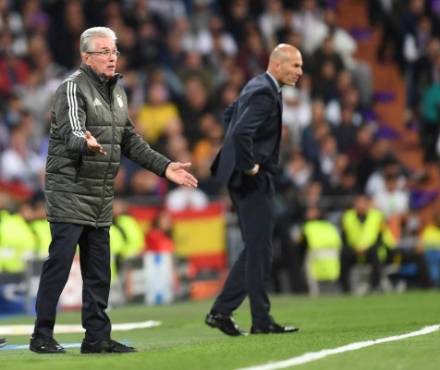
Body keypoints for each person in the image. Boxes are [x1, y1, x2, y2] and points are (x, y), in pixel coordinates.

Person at [29, 27, 197, 354]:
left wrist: (164, 167)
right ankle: (42, 335)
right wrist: (84, 142)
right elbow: (72, 130)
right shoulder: (70, 88)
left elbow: (130, 140)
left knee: (99, 269)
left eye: (114, 51)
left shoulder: (118, 91)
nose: (111, 57)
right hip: (70, 188)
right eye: (104, 51)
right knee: (60, 262)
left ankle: (96, 338)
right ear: (85, 56)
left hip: (101, 193)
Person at [205, 44, 302, 336]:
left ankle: (225, 312)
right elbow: (242, 131)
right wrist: (248, 165)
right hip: (251, 179)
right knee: (259, 249)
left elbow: (229, 114)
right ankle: (257, 319)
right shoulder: (265, 91)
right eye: (295, 65)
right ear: (278, 64)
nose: (300, 72)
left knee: (257, 248)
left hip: (242, 179)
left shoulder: (256, 84)